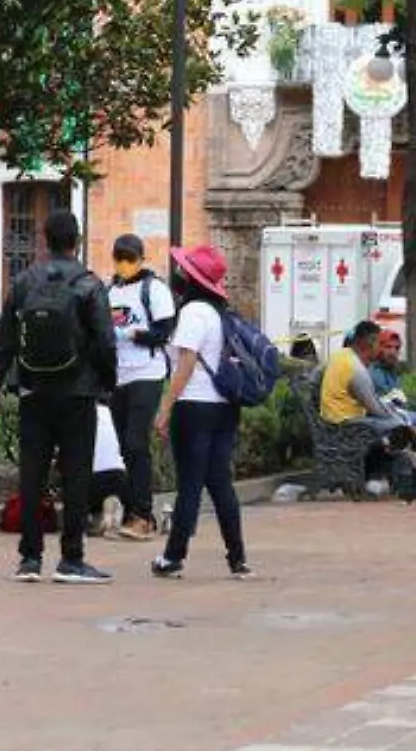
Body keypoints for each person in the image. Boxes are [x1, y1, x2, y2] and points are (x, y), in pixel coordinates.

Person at [0, 210, 114, 586]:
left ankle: (29, 558)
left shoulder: (23, 282)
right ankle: (71, 558)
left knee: (32, 474)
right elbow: (105, 340)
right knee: (76, 474)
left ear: (44, 239)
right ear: (78, 239)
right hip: (78, 393)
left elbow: (4, 342)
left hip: (33, 392)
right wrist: (108, 381)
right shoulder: (89, 284)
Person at [151, 244, 250, 580]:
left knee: (190, 484)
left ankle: (173, 556)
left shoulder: (194, 313)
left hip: (194, 408)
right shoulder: (222, 314)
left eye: (182, 272)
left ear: (191, 279)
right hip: (225, 407)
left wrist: (165, 408)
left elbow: (186, 364)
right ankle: (238, 558)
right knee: (221, 483)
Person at [104, 233, 175, 542]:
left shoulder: (154, 289)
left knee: (136, 443)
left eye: (129, 258)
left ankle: (142, 514)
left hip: (147, 372)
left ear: (141, 259)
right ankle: (134, 508)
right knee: (122, 448)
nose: (124, 264)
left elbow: (164, 331)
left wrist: (134, 335)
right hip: (119, 375)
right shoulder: (109, 292)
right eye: (119, 258)